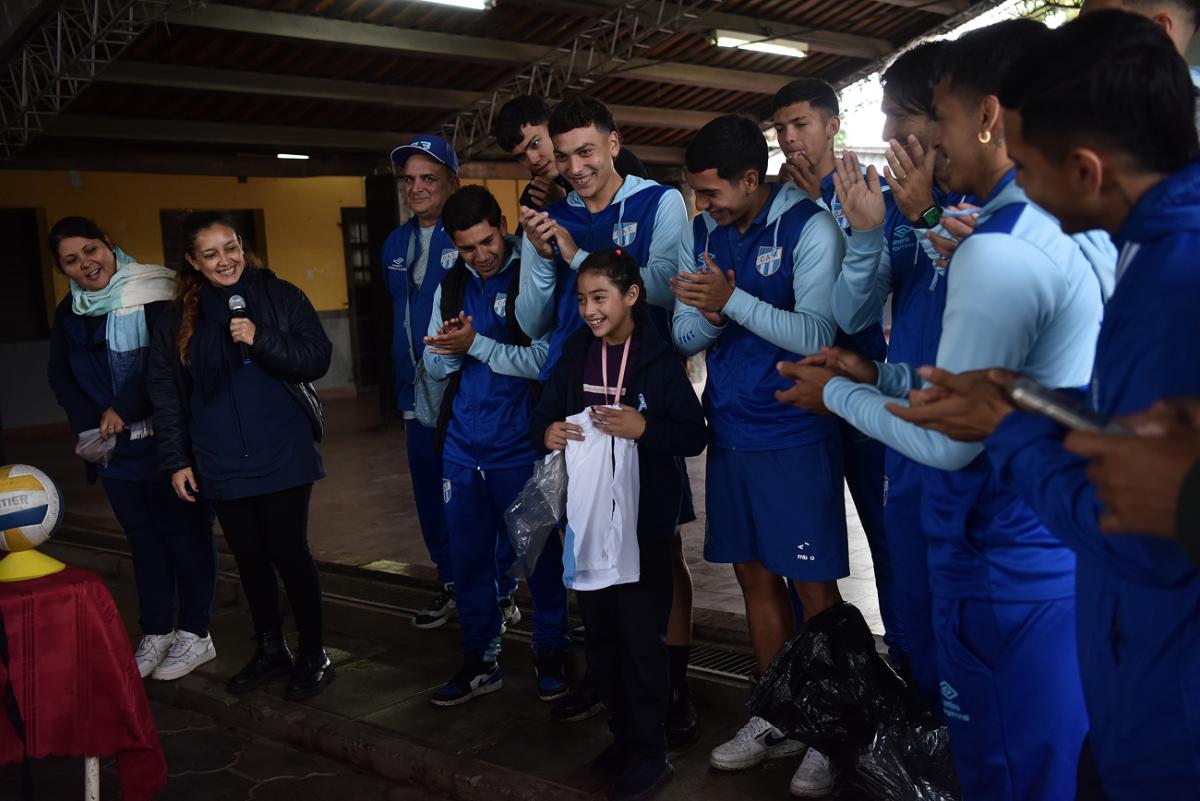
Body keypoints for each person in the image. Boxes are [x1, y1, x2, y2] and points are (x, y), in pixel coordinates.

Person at [774, 20, 1112, 801]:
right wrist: (878, 369)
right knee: (1039, 751)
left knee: (1008, 763)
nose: (901, 143)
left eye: (930, 121)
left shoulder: (995, 240)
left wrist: (840, 393)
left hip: (998, 550)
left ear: (988, 114)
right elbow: (1004, 387)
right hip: (1035, 538)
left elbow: (957, 437)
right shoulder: (1056, 228)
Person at [880, 12, 1200, 797]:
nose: (1011, 188)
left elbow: (1139, 508)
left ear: (1086, 171)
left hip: (1164, 691)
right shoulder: (1147, 247)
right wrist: (1031, 399)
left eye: (1024, 166)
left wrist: (1011, 430)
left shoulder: (1174, 280)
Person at [516, 95, 700, 742]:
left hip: (641, 396)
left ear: (614, 143)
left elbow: (660, 291)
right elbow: (532, 318)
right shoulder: (549, 211)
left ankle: (672, 686)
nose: (576, 166)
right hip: (576, 400)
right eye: (563, 156)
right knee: (585, 540)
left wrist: (573, 255)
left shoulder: (659, 203)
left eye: (586, 151)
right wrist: (540, 255)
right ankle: (607, 677)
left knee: (658, 546)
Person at [672, 114, 846, 797]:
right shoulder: (702, 233)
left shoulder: (811, 227)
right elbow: (685, 327)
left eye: (712, 193)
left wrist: (731, 300)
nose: (703, 206)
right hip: (733, 430)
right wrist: (712, 314)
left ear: (752, 179)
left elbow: (815, 331)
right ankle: (782, 715)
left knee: (813, 588)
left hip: (796, 432)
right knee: (753, 577)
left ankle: (832, 726)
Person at [822, 39, 968, 710]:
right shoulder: (906, 202)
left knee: (966, 617)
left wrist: (923, 216)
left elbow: (981, 291)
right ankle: (921, 724)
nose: (888, 139)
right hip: (907, 425)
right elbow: (853, 307)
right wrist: (868, 232)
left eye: (902, 124)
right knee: (910, 588)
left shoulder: (993, 203)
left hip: (963, 437)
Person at [531, 249, 707, 801]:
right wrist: (550, 432)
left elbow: (694, 434)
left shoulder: (656, 357)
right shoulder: (576, 353)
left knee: (640, 642)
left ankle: (651, 753)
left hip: (643, 529)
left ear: (631, 296)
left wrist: (643, 426)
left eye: (599, 297)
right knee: (601, 639)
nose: (588, 309)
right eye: (582, 299)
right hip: (584, 526)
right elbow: (541, 412)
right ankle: (623, 738)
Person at [148, 210, 334, 701]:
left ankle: (315, 653)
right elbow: (165, 393)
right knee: (249, 560)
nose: (225, 260)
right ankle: (272, 648)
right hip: (219, 459)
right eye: (210, 254)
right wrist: (177, 459)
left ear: (242, 245)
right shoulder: (177, 320)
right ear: (193, 261)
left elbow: (317, 357)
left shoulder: (281, 295)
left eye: (230, 247)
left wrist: (260, 337)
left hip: (282, 450)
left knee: (290, 554)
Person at [47, 216, 218, 681]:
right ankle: (158, 630)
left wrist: (123, 406)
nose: (86, 264)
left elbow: (166, 361)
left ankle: (196, 633)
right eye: (71, 260)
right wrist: (91, 425)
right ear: (63, 269)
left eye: (90, 250)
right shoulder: (71, 311)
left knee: (186, 537)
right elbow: (61, 375)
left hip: (168, 440)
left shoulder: (159, 291)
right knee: (143, 542)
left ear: (108, 243)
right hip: (114, 451)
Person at [421, 185, 571, 706]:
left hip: (521, 449)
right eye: (467, 248)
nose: (481, 256)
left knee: (540, 560)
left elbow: (544, 361)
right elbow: (436, 367)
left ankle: (551, 653)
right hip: (463, 449)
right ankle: (479, 658)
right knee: (468, 562)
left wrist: (475, 345)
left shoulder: (532, 275)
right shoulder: (452, 287)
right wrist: (447, 350)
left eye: (487, 241)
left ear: (502, 224)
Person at [771, 79, 900, 662]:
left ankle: (908, 673)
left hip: (864, 389)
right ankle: (824, 691)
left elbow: (871, 290)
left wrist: (826, 209)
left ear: (832, 126)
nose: (790, 138)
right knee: (806, 553)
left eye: (801, 124)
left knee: (888, 539)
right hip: (802, 396)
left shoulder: (870, 194)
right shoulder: (776, 204)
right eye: (781, 129)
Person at [383, 134, 521, 632]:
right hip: (416, 392)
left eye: (429, 178)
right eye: (409, 180)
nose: (417, 189)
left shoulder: (467, 240)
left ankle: (500, 588)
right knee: (433, 496)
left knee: (486, 499)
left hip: (469, 399)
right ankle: (453, 585)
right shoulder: (395, 242)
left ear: (452, 183)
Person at [494, 95, 649, 212]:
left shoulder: (617, 161)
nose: (533, 159)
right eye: (521, 156)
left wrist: (565, 206)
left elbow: (640, 223)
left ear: (552, 127)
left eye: (535, 143)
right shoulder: (533, 196)